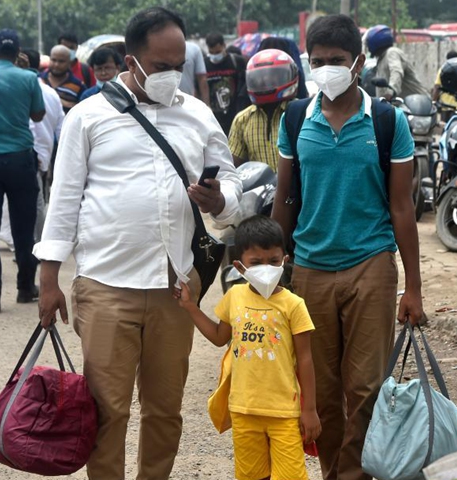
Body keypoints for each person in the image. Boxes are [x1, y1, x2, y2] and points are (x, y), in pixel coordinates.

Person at [34, 7, 242, 479]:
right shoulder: (87, 117)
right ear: (132, 62)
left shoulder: (198, 115)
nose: (172, 76)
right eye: (161, 66)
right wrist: (49, 278)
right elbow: (63, 200)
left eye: (178, 66)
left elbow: (231, 186)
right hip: (107, 286)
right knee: (107, 413)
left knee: (165, 412)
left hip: (176, 290)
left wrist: (219, 199)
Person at [273, 14, 424, 480]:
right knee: (320, 388)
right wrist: (270, 271)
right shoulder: (296, 117)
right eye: (317, 61)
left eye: (336, 60)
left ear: (358, 62)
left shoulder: (386, 121)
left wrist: (413, 289)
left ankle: (354, 474)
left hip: (371, 266)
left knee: (366, 388)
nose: (326, 69)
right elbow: (284, 201)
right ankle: (335, 472)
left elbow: (402, 208)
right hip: (310, 270)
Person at [175, 215, 321, 480]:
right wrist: (190, 307)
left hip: (285, 412)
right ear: (240, 267)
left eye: (273, 261)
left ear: (284, 260)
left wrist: (309, 410)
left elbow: (306, 359)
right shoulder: (234, 297)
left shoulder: (294, 305)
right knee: (252, 475)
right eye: (256, 262)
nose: (266, 267)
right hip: (244, 410)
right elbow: (220, 337)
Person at [0, 29, 44, 314]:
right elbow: (38, 114)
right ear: (17, 54)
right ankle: (25, 288)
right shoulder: (28, 77)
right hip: (19, 159)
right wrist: (25, 76)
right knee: (23, 229)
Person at [0, 48, 64, 249]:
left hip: (21, 153)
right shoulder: (51, 93)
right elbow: (60, 129)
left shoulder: (6, 89)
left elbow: (31, 125)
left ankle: (29, 243)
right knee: (35, 199)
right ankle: (32, 242)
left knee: (26, 201)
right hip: (38, 156)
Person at [228, 48, 299, 171]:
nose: (266, 82)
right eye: (260, 78)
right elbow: (232, 166)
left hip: (299, 187)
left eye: (274, 77)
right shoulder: (242, 119)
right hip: (260, 189)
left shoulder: (302, 112)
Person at [366, 24, 428, 100]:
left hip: (418, 104)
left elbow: (396, 71)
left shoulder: (392, 52)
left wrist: (391, 90)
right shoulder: (381, 59)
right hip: (404, 106)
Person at [205, 32, 249, 135]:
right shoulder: (205, 64)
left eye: (218, 52)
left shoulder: (237, 61)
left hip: (235, 114)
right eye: (212, 52)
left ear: (224, 46)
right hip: (214, 118)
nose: (215, 56)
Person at [42, 44, 85, 112]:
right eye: (54, 60)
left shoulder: (78, 86)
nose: (56, 65)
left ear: (69, 63)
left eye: (61, 61)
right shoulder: (39, 80)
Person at [179, 40, 211, 105]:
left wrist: (206, 105)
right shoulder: (157, 48)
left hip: (188, 102)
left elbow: (202, 79)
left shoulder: (193, 49)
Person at [433, 50, 457, 120]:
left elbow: (437, 87)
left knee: (444, 127)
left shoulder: (443, 70)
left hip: (445, 106)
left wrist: (433, 101)